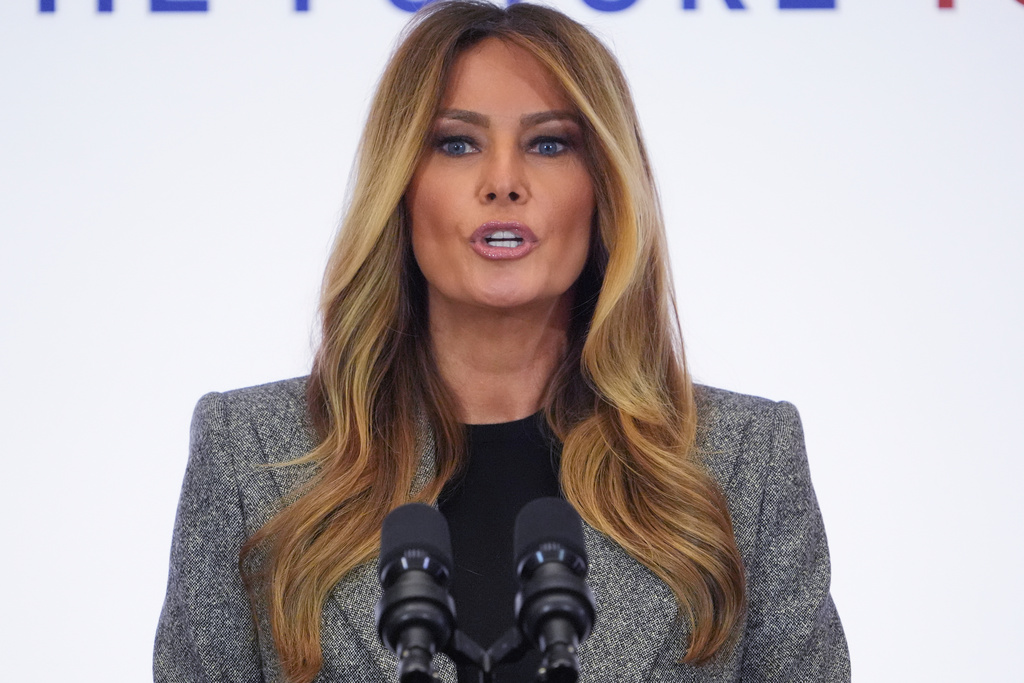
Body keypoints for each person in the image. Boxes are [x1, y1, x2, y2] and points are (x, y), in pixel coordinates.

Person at [154, 2, 850, 682]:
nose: (504, 183)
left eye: (549, 144)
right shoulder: (250, 457)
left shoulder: (743, 463)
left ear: (605, 188)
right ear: (401, 183)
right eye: (457, 143)